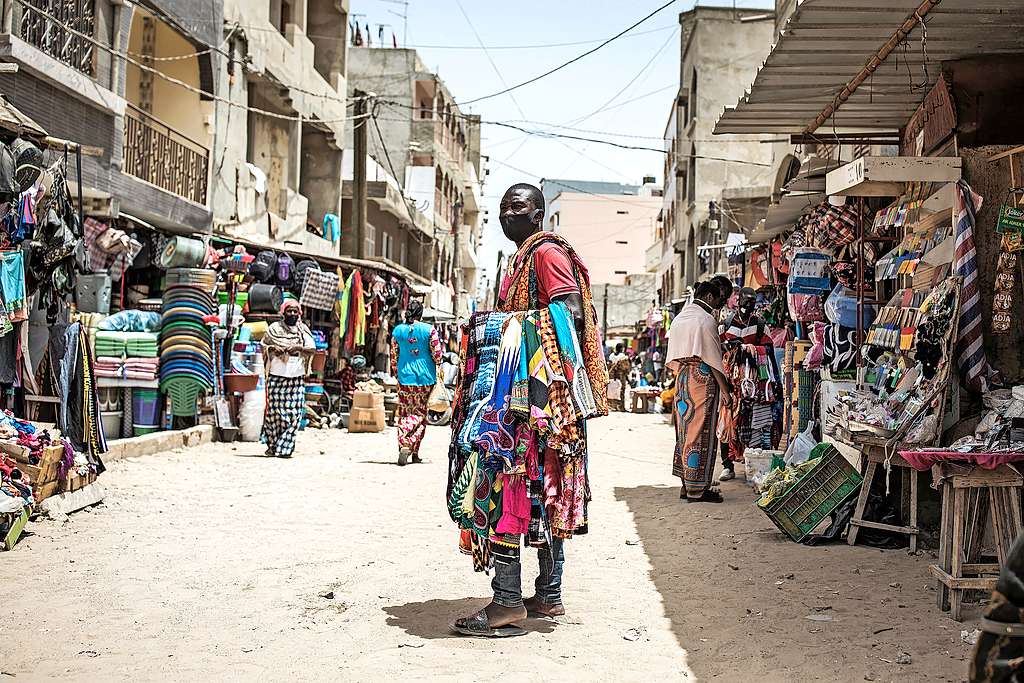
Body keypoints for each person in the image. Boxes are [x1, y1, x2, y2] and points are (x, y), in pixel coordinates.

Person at [453, 182, 607, 637]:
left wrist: (504, 327)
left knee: (508, 487)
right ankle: (548, 594)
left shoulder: (545, 254)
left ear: (538, 214)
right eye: (502, 209)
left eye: (516, 207)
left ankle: (505, 603)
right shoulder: (523, 257)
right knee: (545, 494)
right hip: (540, 402)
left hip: (538, 403)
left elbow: (569, 314)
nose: (507, 215)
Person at [665, 276, 732, 502]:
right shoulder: (705, 320)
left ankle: (686, 485)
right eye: (718, 300)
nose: (718, 305)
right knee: (700, 433)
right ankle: (697, 490)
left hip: (683, 378)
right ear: (709, 296)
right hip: (702, 379)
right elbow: (713, 358)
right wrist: (726, 391)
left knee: (685, 433)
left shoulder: (680, 318)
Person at [718, 287, 774, 482]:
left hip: (753, 381)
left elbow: (769, 351)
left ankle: (752, 462)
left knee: (752, 421)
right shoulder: (726, 324)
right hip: (731, 380)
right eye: (745, 301)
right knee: (727, 420)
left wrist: (772, 381)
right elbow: (719, 348)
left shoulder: (759, 324)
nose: (748, 305)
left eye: (752, 302)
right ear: (738, 300)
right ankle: (727, 464)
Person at [261, 300, 316, 458]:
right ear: (283, 313)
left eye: (295, 311)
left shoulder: (302, 330)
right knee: (274, 414)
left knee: (295, 414)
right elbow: (263, 345)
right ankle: (273, 445)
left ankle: (285, 448)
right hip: (276, 376)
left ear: (299, 314)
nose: (292, 314)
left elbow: (312, 349)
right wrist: (273, 349)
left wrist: (298, 348)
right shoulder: (274, 329)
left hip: (296, 377)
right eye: (289, 311)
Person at [391, 299, 442, 466]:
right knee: (420, 414)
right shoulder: (429, 330)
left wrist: (396, 373)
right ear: (421, 314)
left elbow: (394, 356)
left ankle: (408, 448)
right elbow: (437, 354)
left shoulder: (398, 331)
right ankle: (410, 443)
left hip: (404, 378)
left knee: (405, 412)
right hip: (425, 378)